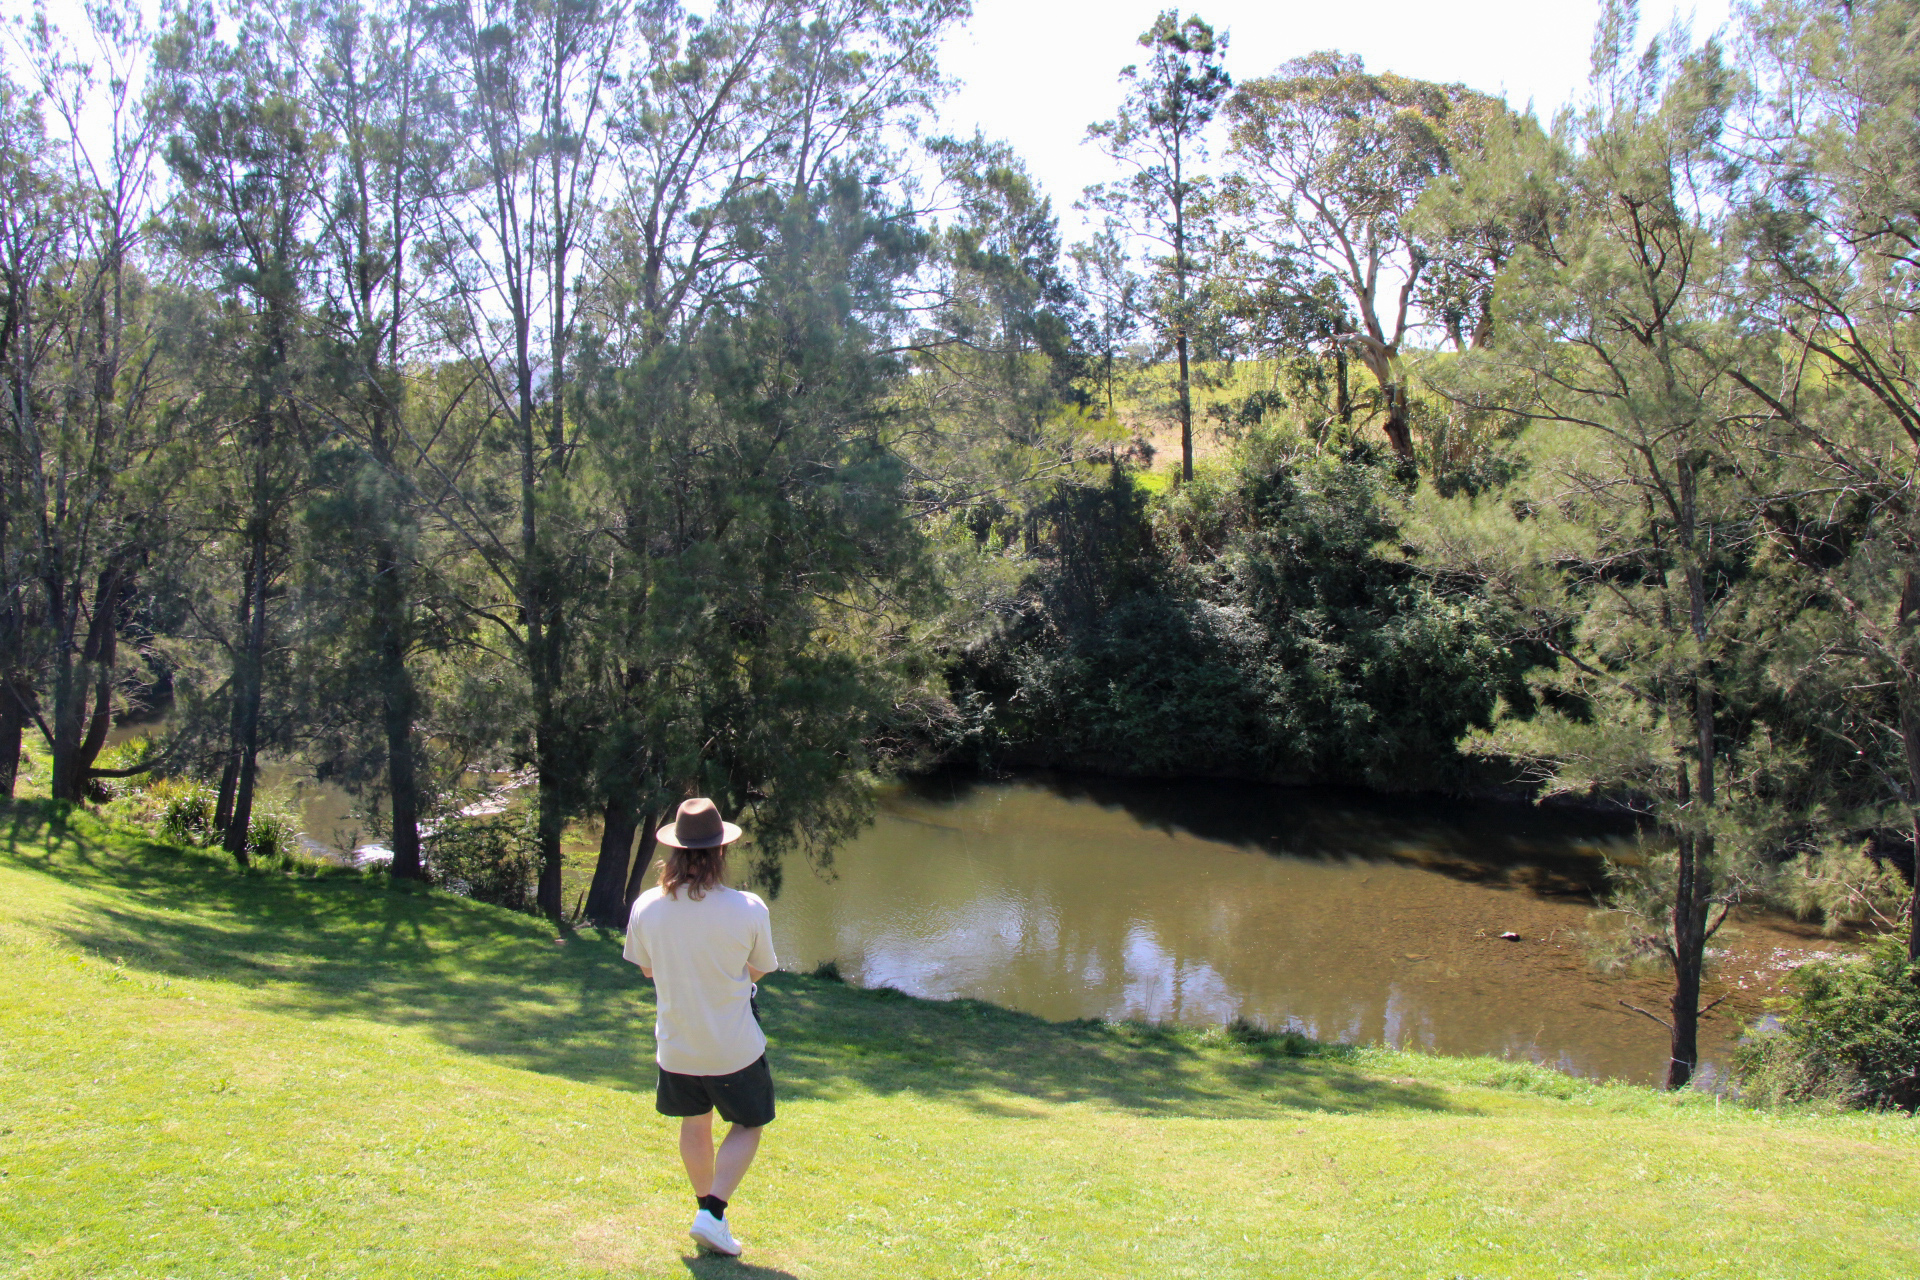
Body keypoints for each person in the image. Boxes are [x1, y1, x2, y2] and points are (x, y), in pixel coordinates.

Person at [623, 797, 778, 1258]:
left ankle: (708, 1214)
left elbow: (648, 971)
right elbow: (761, 968)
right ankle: (712, 1214)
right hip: (733, 1046)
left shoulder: (647, 906)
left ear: (674, 852)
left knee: (695, 1121)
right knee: (749, 1122)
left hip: (676, 1046)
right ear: (721, 852)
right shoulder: (749, 907)